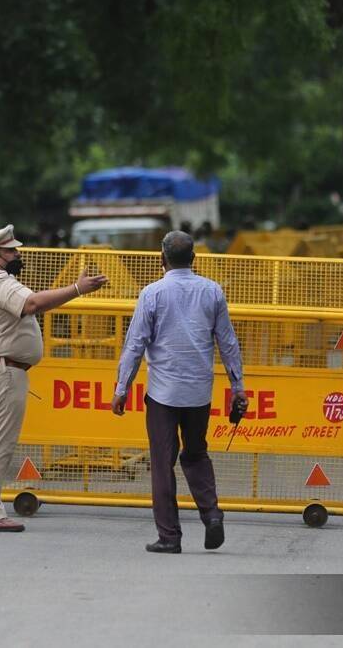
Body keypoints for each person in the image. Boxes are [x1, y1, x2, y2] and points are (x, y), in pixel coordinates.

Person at [0, 224, 107, 532]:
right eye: (12, 250)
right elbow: (32, 304)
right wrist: (77, 289)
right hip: (2, 370)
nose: (18, 254)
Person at [111, 231, 245, 554]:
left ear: (162, 259)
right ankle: (211, 514)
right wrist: (237, 386)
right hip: (199, 392)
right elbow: (227, 342)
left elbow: (135, 344)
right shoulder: (212, 291)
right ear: (194, 259)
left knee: (162, 461)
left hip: (163, 394)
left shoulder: (152, 294)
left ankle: (169, 536)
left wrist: (122, 387)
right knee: (196, 452)